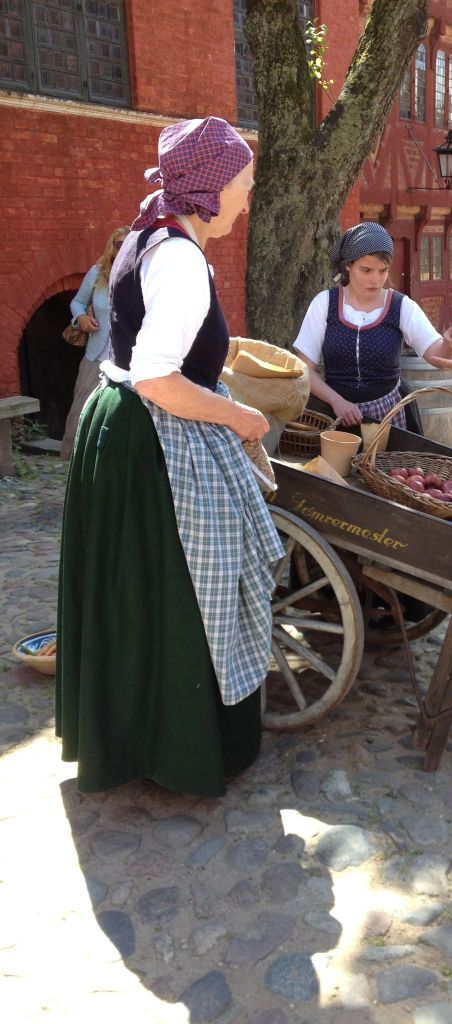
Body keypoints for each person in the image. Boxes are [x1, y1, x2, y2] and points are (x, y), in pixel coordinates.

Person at [55, 116, 283, 797]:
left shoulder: (148, 235)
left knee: (135, 593)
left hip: (119, 425)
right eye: (243, 182)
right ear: (211, 189)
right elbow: (158, 377)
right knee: (178, 592)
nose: (248, 196)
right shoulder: (179, 257)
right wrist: (241, 415)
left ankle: (128, 739)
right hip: (153, 437)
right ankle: (178, 748)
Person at [293, 222, 452, 429]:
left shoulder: (401, 306)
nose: (376, 280)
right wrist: (336, 401)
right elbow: (305, 368)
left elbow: (440, 358)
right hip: (334, 413)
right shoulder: (324, 303)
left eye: (383, 271)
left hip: (387, 416)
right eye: (367, 270)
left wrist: (450, 343)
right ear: (348, 265)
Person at [60, 226, 130, 460]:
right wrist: (80, 318)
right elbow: (77, 302)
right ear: (112, 247)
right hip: (96, 358)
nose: (123, 249)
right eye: (119, 244)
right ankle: (80, 461)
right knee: (83, 412)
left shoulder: (141, 275)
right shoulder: (97, 273)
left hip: (129, 364)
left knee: (119, 420)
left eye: (128, 244)